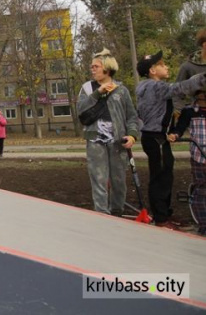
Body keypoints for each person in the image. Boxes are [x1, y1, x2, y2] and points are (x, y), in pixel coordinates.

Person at [136, 50, 206, 229]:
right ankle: (161, 218)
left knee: (165, 174)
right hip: (155, 137)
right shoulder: (155, 87)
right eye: (162, 64)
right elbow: (179, 88)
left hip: (156, 138)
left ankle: (165, 213)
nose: (166, 67)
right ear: (152, 70)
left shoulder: (147, 87)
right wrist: (201, 78)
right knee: (160, 178)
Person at [77, 48, 140, 216]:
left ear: (107, 68)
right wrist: (98, 93)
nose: (92, 69)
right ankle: (102, 215)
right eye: (92, 66)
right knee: (98, 179)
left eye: (96, 66)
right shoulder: (88, 89)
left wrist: (133, 135)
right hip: (94, 141)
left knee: (119, 181)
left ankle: (117, 212)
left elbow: (132, 117)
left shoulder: (121, 90)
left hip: (118, 142)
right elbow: (80, 111)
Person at [169, 90, 206, 235]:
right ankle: (203, 224)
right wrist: (175, 135)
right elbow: (180, 128)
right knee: (201, 189)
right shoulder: (189, 111)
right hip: (199, 155)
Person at [175, 29, 206, 114]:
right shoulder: (187, 67)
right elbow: (177, 94)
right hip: (198, 117)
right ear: (204, 44)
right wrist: (184, 114)